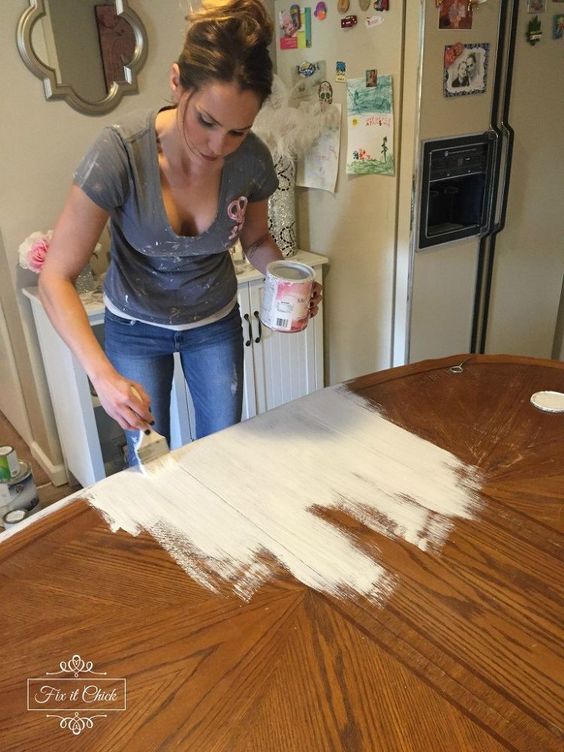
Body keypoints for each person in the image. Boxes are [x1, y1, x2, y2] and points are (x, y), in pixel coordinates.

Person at [38, 0, 322, 466]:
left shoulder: (251, 160)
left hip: (214, 323)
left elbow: (254, 241)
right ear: (176, 84)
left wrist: (288, 278)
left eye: (238, 131)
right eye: (206, 121)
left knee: (221, 452)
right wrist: (102, 377)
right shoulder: (120, 153)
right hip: (135, 326)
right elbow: (55, 277)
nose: (218, 146)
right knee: (148, 460)